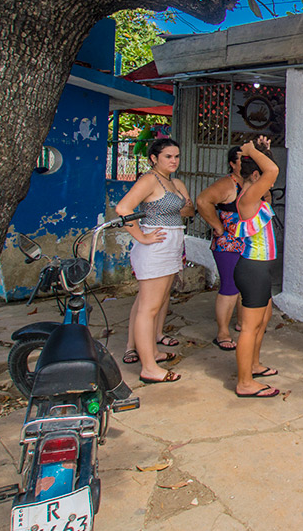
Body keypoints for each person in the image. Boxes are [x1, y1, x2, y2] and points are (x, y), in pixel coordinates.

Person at [115, 138, 194, 383]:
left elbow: (188, 210)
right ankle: (148, 367)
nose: (174, 161)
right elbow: (123, 208)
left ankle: (152, 353)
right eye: (168, 157)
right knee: (148, 308)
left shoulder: (173, 182)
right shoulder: (149, 179)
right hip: (155, 247)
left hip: (172, 245)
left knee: (158, 304)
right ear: (154, 158)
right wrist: (141, 236)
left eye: (177, 156)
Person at [232, 137, 281, 398]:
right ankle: (244, 382)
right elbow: (272, 170)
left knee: (262, 321)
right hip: (252, 268)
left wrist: (264, 150)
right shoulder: (249, 196)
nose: (271, 184)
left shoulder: (257, 193)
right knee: (250, 327)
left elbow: (269, 169)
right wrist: (251, 151)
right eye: (266, 180)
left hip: (260, 269)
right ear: (255, 175)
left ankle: (253, 365)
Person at [195, 146, 246, 352]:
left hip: (247, 243)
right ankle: (222, 332)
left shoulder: (252, 182)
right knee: (230, 287)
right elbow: (202, 200)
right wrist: (217, 225)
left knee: (245, 286)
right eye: (242, 160)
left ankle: (243, 323)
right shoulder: (228, 184)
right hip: (228, 244)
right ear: (232, 164)